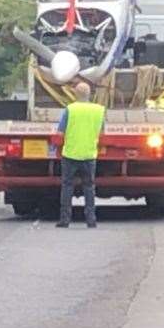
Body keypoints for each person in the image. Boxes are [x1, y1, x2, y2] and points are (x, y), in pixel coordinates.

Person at [55, 82, 105, 228]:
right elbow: (102, 132)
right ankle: (91, 219)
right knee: (89, 187)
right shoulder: (98, 110)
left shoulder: (70, 109)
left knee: (67, 187)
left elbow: (60, 133)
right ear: (90, 94)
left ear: (75, 94)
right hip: (89, 155)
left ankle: (65, 220)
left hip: (70, 154)